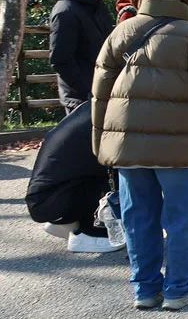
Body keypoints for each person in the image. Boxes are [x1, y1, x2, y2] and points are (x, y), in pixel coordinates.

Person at [92, 0, 188, 310]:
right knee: (180, 219)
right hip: (178, 147)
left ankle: (144, 289)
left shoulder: (120, 32)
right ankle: (179, 288)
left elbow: (100, 95)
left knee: (138, 218)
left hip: (126, 145)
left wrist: (100, 143)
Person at [25, 102, 124, 253]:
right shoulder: (109, 118)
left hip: (46, 197)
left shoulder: (93, 108)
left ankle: (70, 222)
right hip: (52, 202)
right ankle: (89, 233)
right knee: (124, 175)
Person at [49, 0, 122, 113]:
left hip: (102, 93)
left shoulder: (98, 6)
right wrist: (88, 91)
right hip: (80, 100)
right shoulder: (65, 11)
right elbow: (60, 60)